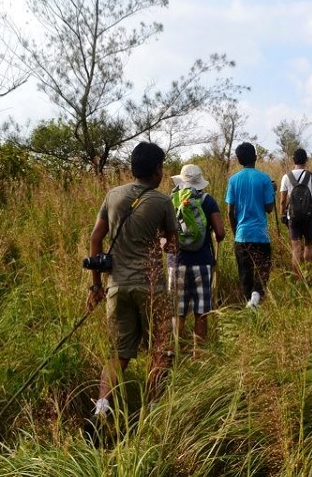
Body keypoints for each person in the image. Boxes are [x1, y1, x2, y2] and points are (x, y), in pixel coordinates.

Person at [86, 141, 178, 419]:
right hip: (151, 287)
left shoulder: (112, 196)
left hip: (116, 287)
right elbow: (172, 245)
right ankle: (152, 409)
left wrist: (97, 285)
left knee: (118, 355)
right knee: (161, 349)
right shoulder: (162, 201)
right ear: (157, 170)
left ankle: (102, 408)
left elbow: (95, 239)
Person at [167, 164, 225, 345]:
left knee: (178, 311)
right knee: (201, 312)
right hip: (202, 262)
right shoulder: (207, 200)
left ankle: (174, 353)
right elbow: (220, 233)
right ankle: (198, 356)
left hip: (177, 262)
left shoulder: (170, 200)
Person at [225, 142, 275, 309]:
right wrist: (271, 192)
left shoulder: (233, 180)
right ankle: (256, 296)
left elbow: (230, 212)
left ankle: (249, 304)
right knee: (263, 272)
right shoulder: (265, 179)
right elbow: (269, 209)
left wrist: (235, 233)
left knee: (245, 274)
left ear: (239, 160)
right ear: (255, 157)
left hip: (242, 235)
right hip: (261, 235)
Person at [279, 148, 312, 268]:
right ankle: (307, 274)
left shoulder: (286, 177)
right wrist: (309, 200)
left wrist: (282, 214)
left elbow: (282, 201)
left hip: (293, 216)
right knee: (309, 245)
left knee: (296, 248)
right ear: (306, 160)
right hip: (310, 216)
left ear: (293, 160)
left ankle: (298, 278)